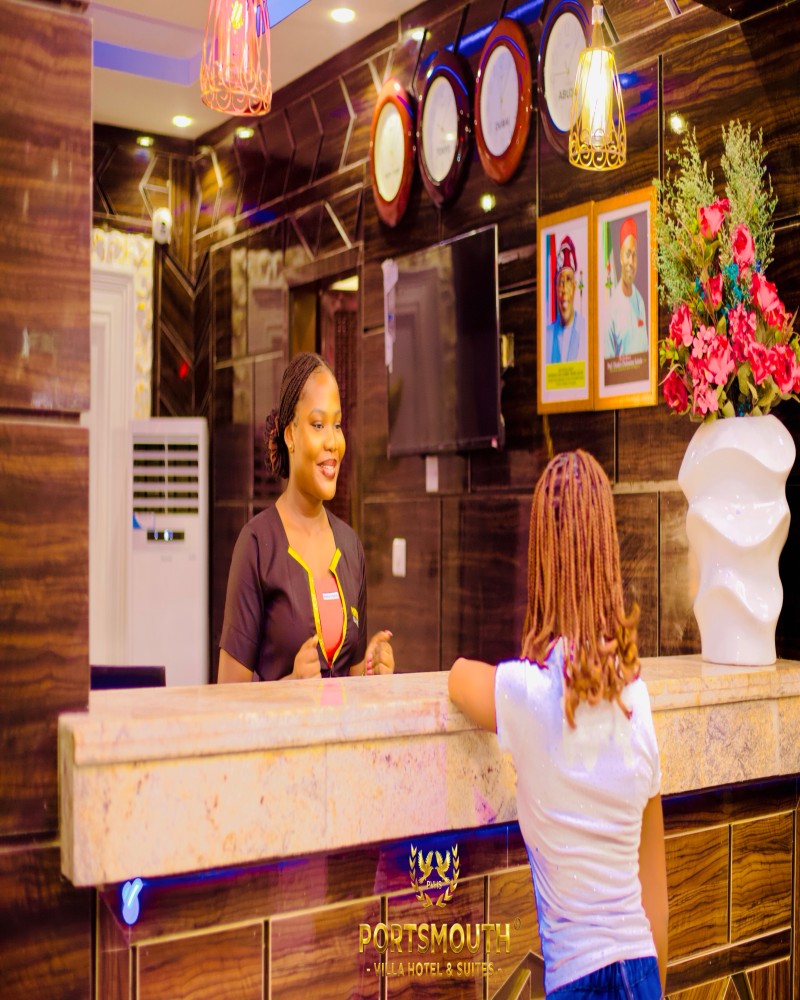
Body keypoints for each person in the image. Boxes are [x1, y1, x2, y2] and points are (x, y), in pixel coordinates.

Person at [448, 450, 668, 999]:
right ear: (608, 555)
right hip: (641, 969)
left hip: (576, 979)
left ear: (541, 560)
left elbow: (457, 676)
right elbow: (655, 896)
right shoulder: (638, 703)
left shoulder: (526, 696)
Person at [218, 352, 394, 683]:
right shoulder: (257, 544)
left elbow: (352, 684)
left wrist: (371, 672)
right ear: (290, 435)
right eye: (318, 425)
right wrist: (290, 685)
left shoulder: (350, 547)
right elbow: (227, 692)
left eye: (337, 425)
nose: (333, 441)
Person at [605, 217, 648, 358]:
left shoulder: (639, 301)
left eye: (634, 255)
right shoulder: (611, 308)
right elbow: (608, 362)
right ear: (620, 258)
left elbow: (645, 351)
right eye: (628, 254)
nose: (631, 261)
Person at [546, 235, 585, 364]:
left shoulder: (585, 330)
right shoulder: (547, 335)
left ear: (574, 286)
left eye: (568, 280)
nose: (564, 289)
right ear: (556, 288)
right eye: (560, 282)